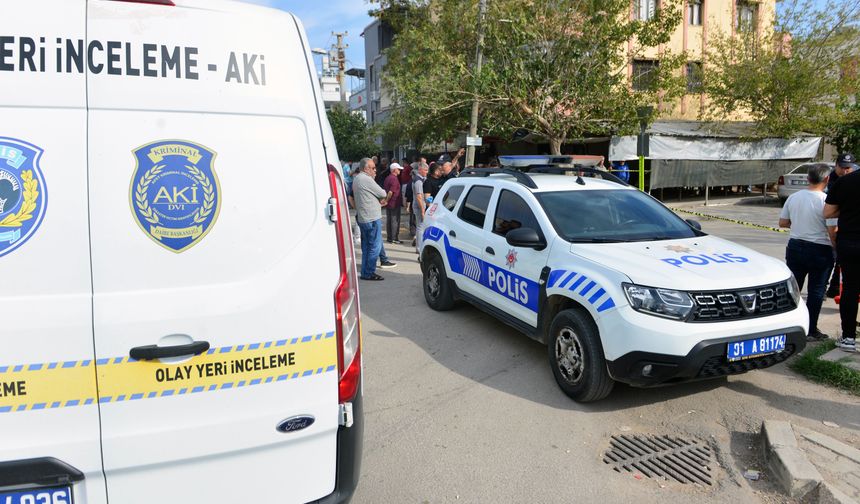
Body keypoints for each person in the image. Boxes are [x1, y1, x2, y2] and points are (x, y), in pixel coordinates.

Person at [778, 163, 837, 341]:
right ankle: (810, 329)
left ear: (808, 178)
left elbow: (783, 222)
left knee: (793, 289)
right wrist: (836, 247)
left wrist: (798, 224)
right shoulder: (826, 201)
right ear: (826, 179)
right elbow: (832, 230)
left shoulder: (794, 197)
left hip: (795, 246)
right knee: (816, 291)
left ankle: (788, 327)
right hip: (820, 248)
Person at [824, 153, 860, 352]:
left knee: (850, 290)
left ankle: (848, 338)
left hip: (850, 242)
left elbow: (828, 213)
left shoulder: (845, 182)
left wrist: (846, 209)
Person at [352, 157, 392, 281]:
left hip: (364, 217)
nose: (375, 170)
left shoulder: (357, 178)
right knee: (375, 246)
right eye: (373, 168)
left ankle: (365, 272)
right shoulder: (366, 179)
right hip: (371, 218)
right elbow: (383, 193)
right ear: (366, 168)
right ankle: (369, 272)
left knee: (366, 246)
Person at [826, 154, 855, 298]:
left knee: (840, 260)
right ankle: (832, 286)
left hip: (844, 226)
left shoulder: (852, 180)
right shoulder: (830, 180)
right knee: (833, 258)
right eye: (842, 167)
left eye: (848, 168)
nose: (845, 171)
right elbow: (828, 211)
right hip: (830, 220)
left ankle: (834, 286)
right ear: (836, 165)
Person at [384, 163, 403, 244]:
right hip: (394, 202)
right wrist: (387, 200)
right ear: (394, 170)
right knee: (395, 220)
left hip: (390, 203)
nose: (400, 171)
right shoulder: (394, 179)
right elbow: (391, 192)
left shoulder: (388, 178)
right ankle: (394, 238)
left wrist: (386, 201)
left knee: (389, 220)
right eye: (398, 169)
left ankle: (390, 237)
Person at [411, 161, 430, 246]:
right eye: (425, 170)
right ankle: (419, 247)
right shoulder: (418, 181)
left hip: (419, 206)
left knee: (420, 226)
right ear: (420, 169)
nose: (427, 172)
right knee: (420, 227)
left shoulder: (419, 179)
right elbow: (419, 197)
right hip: (419, 207)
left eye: (427, 170)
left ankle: (419, 246)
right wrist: (422, 211)